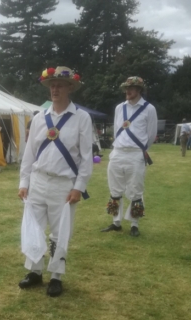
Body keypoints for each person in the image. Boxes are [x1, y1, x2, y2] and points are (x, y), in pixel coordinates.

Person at [18, 67, 93, 297]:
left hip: (64, 184)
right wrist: (24, 181)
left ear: (70, 87)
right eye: (52, 84)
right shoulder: (40, 118)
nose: (55, 88)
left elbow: (87, 157)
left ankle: (56, 276)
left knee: (61, 233)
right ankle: (35, 271)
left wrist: (78, 187)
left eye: (60, 84)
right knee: (34, 228)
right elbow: (29, 153)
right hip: (38, 181)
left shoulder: (81, 118)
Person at [101, 77, 157, 237]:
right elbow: (117, 128)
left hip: (135, 154)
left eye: (131, 88)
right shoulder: (120, 107)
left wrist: (141, 150)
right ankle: (116, 222)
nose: (127, 91)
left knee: (135, 189)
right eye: (126, 88)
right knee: (115, 188)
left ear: (139, 90)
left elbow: (151, 134)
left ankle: (134, 224)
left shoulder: (149, 109)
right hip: (117, 152)